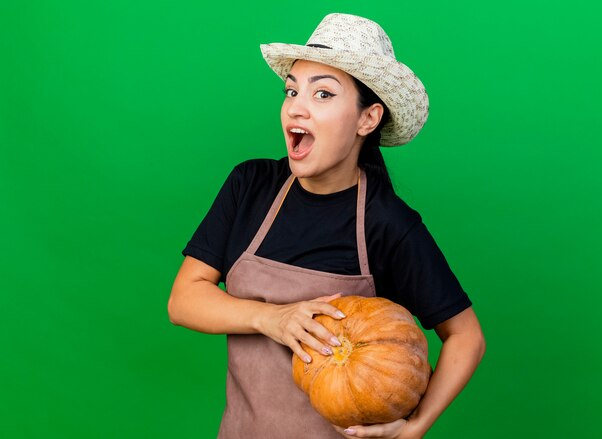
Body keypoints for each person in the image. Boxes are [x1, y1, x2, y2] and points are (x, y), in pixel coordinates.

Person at [169, 13, 485, 439]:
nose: (296, 107)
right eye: (292, 90)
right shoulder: (251, 186)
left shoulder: (386, 223)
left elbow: (466, 336)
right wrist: (273, 319)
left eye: (322, 94)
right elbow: (184, 300)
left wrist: (415, 427)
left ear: (367, 119)